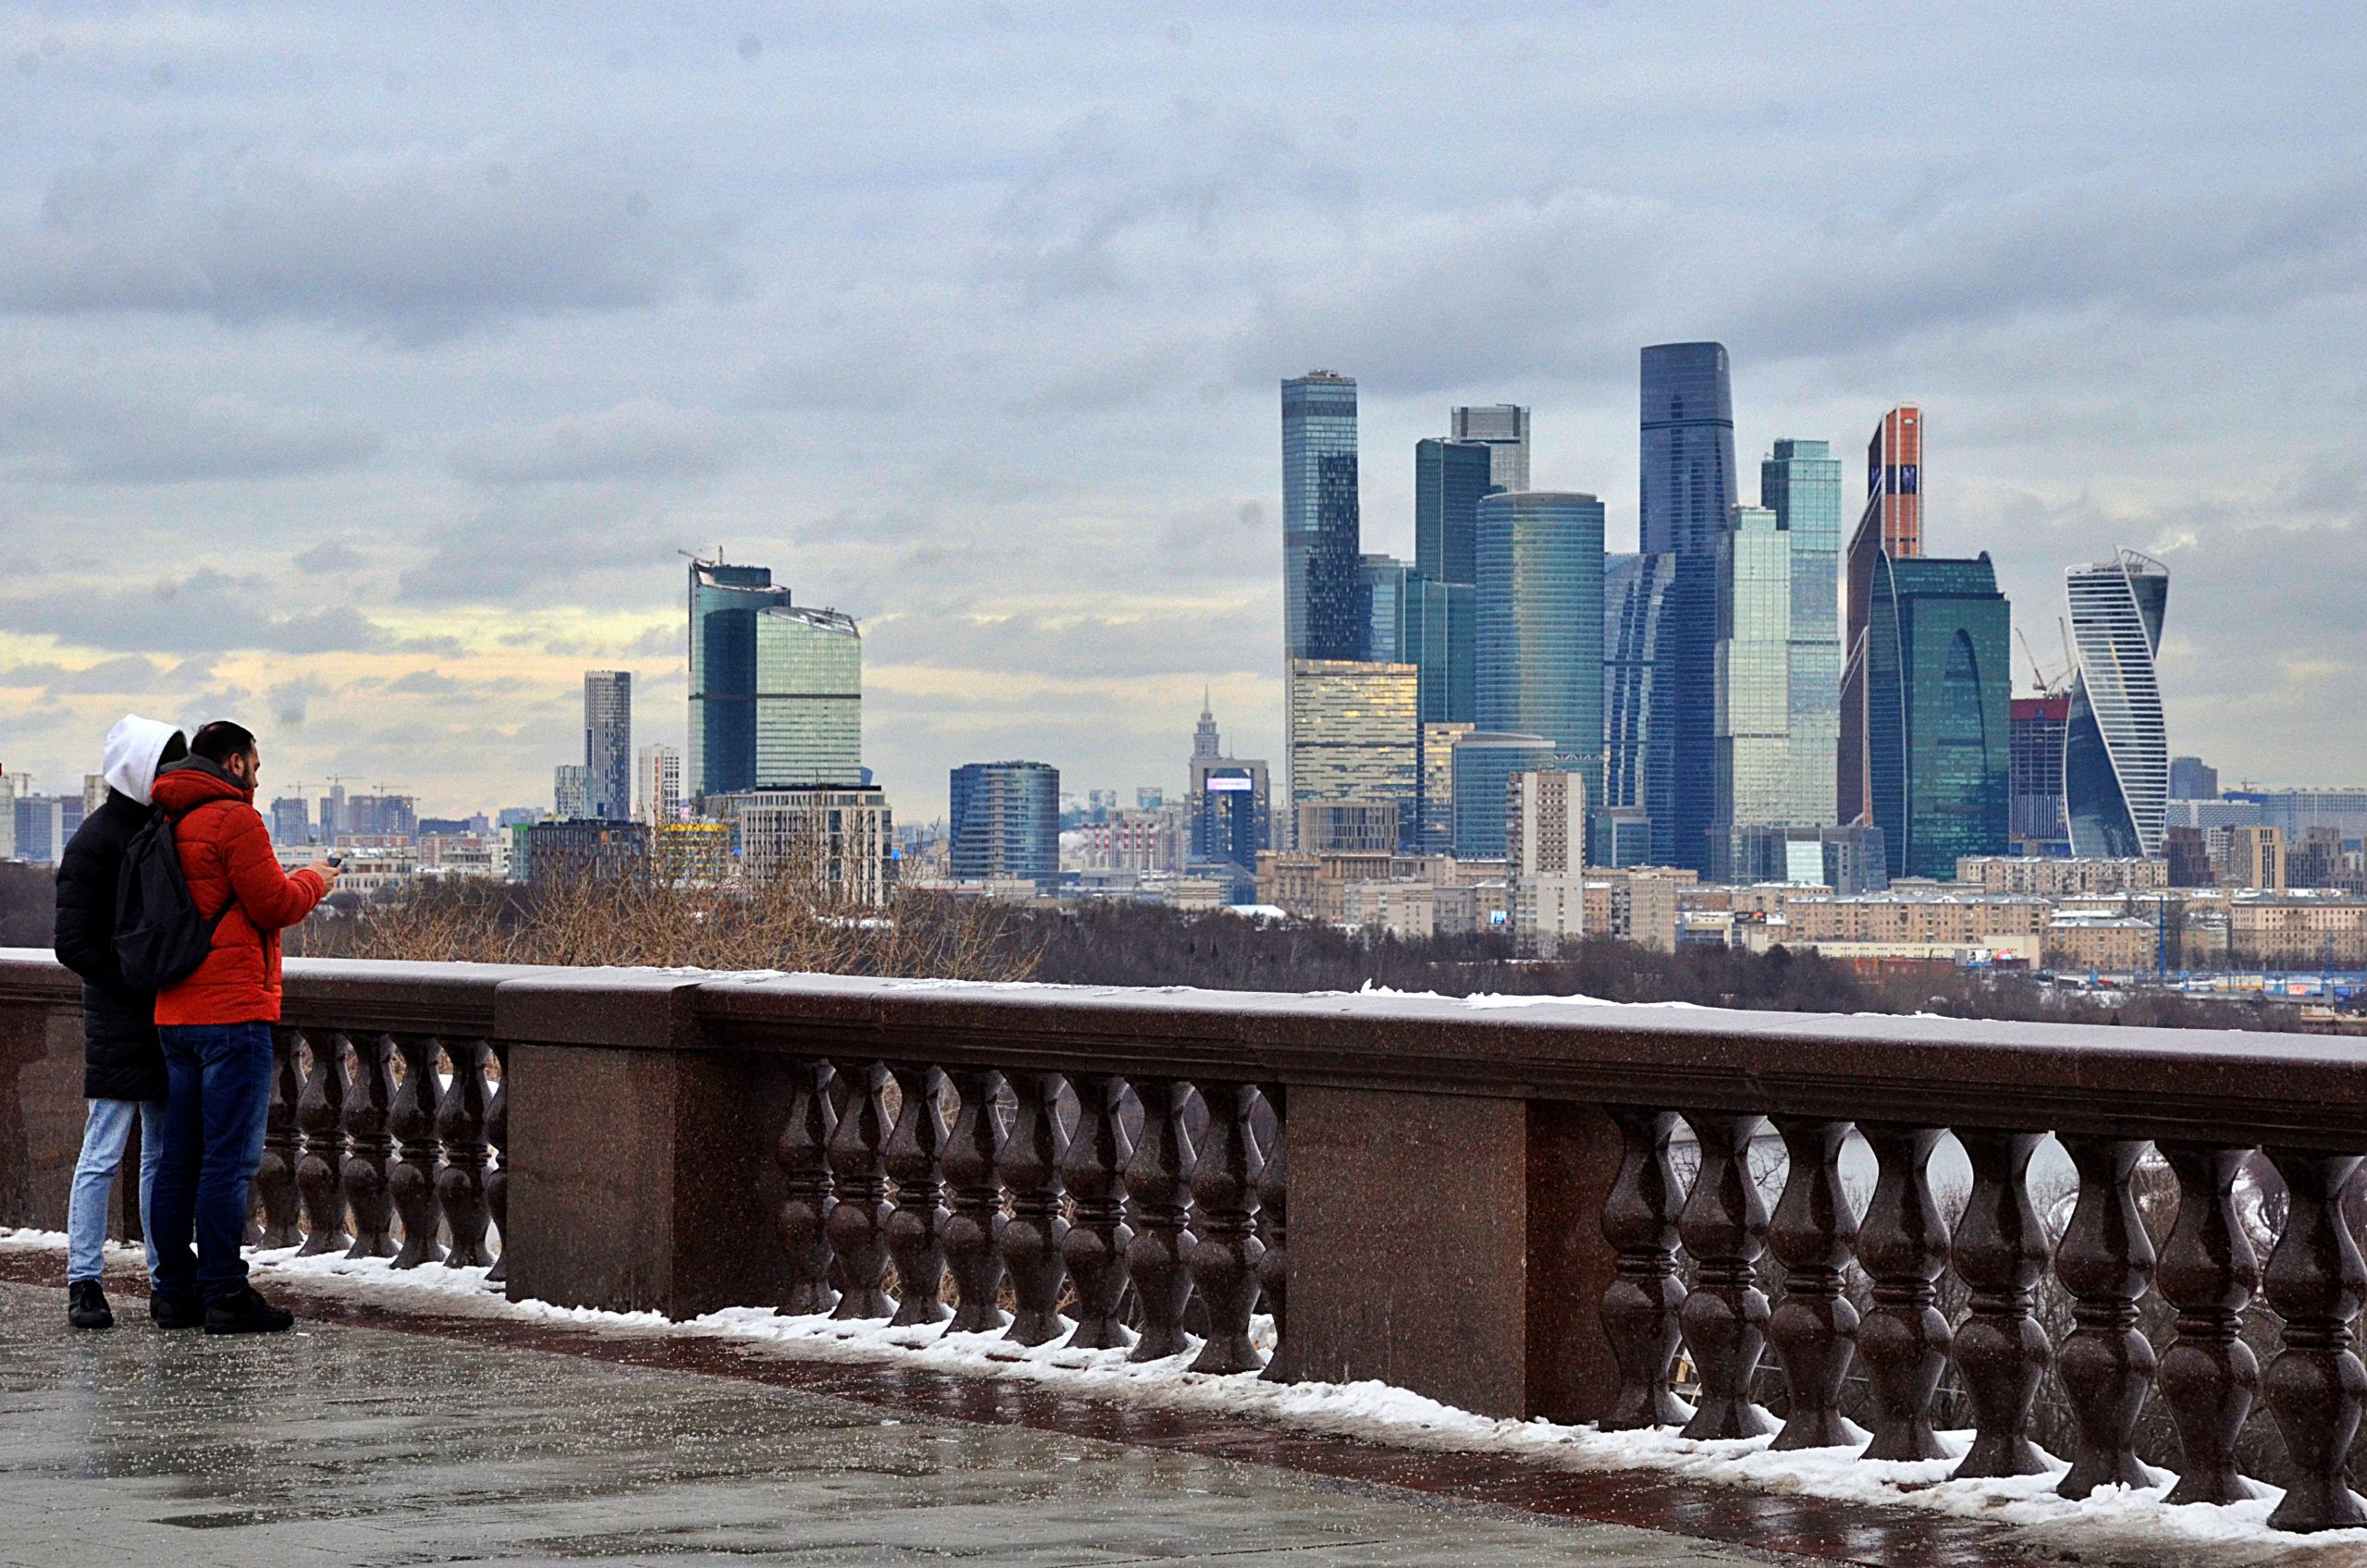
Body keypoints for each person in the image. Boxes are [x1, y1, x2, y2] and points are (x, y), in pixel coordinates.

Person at [146, 721, 338, 1334]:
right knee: (226, 1164)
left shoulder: (166, 817)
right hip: (232, 1016)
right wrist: (316, 880)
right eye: (255, 767)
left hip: (174, 1011)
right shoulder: (235, 820)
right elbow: (275, 905)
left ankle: (173, 1291)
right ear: (234, 762)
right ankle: (226, 1293)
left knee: (178, 1160)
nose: (258, 778)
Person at [52, 715, 190, 1329]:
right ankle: (86, 1279)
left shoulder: (147, 829)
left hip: (150, 1010)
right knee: (107, 1150)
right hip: (125, 1010)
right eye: (165, 766)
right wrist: (137, 976)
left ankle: (160, 1278)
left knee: (150, 1152)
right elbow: (72, 943)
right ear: (140, 771)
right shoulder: (98, 841)